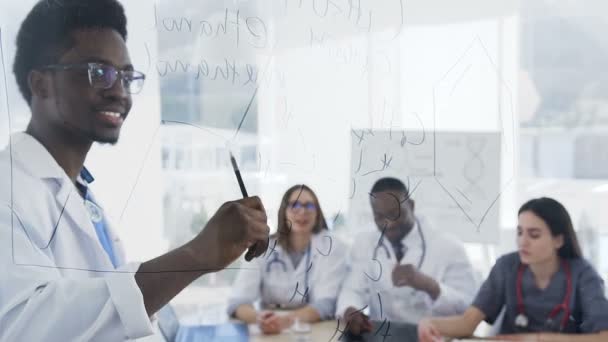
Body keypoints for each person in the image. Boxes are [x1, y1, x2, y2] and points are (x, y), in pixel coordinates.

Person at [0, 1, 269, 341]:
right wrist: (195, 255)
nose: (119, 92)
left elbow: (113, 318)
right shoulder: (8, 188)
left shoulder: (80, 194)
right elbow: (23, 326)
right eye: (99, 72)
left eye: (126, 76)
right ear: (41, 85)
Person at [418, 197, 608, 342]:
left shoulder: (583, 275)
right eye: (519, 232)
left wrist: (538, 338)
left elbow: (603, 337)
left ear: (558, 240)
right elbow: (468, 323)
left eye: (534, 235)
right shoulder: (506, 267)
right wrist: (432, 324)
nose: (522, 241)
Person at [336, 177, 477, 335]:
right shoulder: (365, 242)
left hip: (431, 336)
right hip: (381, 336)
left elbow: (468, 308)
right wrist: (350, 310)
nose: (388, 223)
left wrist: (430, 286)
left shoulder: (449, 247)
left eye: (395, 214)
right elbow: (352, 290)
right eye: (379, 217)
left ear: (411, 205)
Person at [228, 184, 347, 334]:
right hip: (268, 327)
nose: (302, 211)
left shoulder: (331, 246)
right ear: (284, 211)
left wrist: (286, 321)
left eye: (309, 206)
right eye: (295, 205)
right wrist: (259, 318)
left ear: (317, 212)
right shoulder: (263, 247)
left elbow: (326, 304)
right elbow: (238, 302)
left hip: (313, 327)